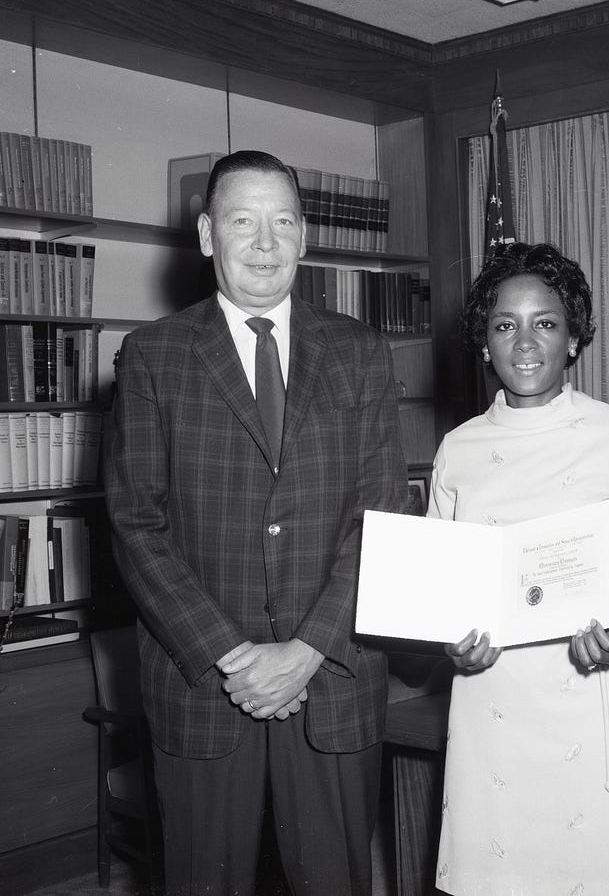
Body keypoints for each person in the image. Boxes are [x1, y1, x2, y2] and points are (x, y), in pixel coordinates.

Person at [104, 150, 406, 895]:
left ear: (305, 237)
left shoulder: (361, 353)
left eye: (282, 223)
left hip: (332, 677)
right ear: (208, 234)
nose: (265, 244)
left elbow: (384, 516)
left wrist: (304, 651)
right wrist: (237, 657)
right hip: (203, 684)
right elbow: (136, 525)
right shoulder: (153, 357)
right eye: (243, 221)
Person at [429, 242, 609, 895]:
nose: (524, 341)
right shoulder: (457, 449)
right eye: (505, 324)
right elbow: (447, 592)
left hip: (589, 694)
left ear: (574, 340)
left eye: (546, 322)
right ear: (484, 343)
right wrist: (454, 646)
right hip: (491, 707)